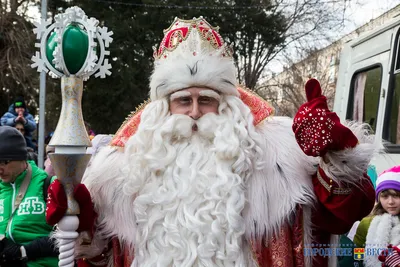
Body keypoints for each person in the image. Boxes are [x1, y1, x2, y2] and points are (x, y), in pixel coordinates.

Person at [46, 17, 378, 267]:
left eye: (205, 99)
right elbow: (106, 256)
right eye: (182, 101)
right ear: (162, 106)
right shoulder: (123, 170)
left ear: (227, 103)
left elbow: (345, 214)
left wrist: (335, 154)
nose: (194, 113)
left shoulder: (278, 156)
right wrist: (83, 228)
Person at [0, 126, 59, 267]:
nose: (0, 169)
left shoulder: (48, 184)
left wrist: (24, 251)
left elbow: (69, 236)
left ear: (21, 157)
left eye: (4, 162)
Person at [353, 166, 400, 267]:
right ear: (379, 198)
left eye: (396, 195)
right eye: (385, 196)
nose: (390, 202)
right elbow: (357, 254)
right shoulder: (367, 223)